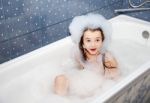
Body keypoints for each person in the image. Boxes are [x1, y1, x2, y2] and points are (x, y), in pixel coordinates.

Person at [54, 13, 120, 96]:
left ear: (102, 42)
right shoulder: (78, 53)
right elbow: (74, 67)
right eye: (88, 40)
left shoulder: (107, 60)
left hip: (96, 90)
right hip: (80, 84)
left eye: (97, 40)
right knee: (60, 79)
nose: (93, 44)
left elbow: (116, 82)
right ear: (83, 44)